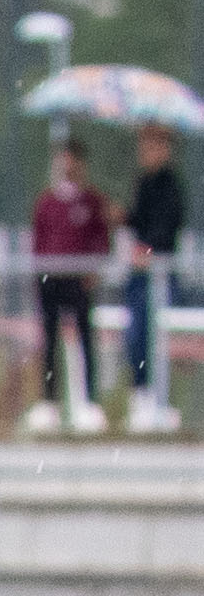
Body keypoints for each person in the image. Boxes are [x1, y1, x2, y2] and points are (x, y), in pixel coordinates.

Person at [30, 139, 118, 434]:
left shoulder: (91, 201)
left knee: (84, 340)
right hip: (52, 279)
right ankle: (49, 402)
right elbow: (39, 241)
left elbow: (101, 239)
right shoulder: (47, 202)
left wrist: (94, 267)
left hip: (78, 280)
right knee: (50, 340)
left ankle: (89, 402)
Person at [126, 123, 186, 434]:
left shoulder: (170, 187)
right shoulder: (144, 183)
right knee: (135, 336)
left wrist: (149, 249)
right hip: (139, 275)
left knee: (151, 334)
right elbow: (138, 220)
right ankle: (142, 395)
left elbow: (166, 229)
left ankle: (156, 399)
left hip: (158, 276)